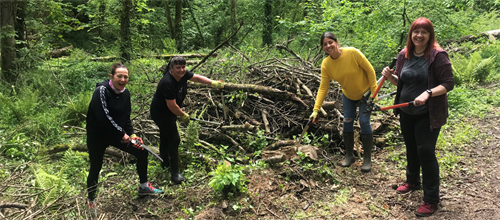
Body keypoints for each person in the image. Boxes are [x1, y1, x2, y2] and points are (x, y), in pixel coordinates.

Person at [381, 17, 454, 217]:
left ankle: (431, 199)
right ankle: (412, 180)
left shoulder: (438, 56)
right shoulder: (404, 55)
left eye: (424, 32)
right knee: (411, 147)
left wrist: (428, 93)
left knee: (425, 151)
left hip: (428, 113)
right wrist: (390, 77)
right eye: (416, 31)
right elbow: (401, 82)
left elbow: (448, 83)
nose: (419, 35)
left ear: (430, 35)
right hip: (406, 111)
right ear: (411, 34)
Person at [86, 63, 162, 213]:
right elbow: (103, 117)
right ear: (111, 77)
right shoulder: (101, 91)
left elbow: (126, 117)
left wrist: (132, 134)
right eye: (119, 76)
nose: (122, 79)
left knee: (141, 151)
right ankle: (91, 201)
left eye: (125, 77)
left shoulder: (125, 94)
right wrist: (122, 134)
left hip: (117, 133)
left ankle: (144, 187)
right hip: (97, 136)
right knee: (96, 167)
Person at [309, 32, 378, 172]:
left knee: (364, 122)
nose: (328, 46)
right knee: (347, 122)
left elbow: (370, 70)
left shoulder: (352, 53)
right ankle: (349, 156)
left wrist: (374, 92)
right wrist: (316, 109)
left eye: (330, 42)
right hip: (348, 96)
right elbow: (323, 87)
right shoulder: (326, 64)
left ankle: (367, 159)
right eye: (325, 44)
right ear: (322, 47)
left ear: (336, 42)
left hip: (366, 94)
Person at [150, 56, 223, 184]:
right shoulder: (168, 82)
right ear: (171, 69)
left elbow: (197, 78)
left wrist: (212, 82)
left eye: (183, 67)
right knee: (174, 139)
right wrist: (183, 115)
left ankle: (165, 163)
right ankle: (175, 174)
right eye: (178, 67)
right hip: (161, 113)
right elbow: (172, 105)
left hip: (169, 111)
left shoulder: (183, 74)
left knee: (165, 136)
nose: (181, 70)